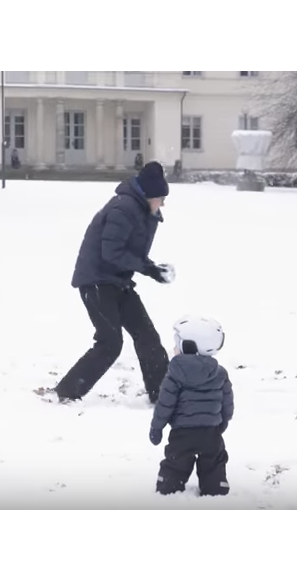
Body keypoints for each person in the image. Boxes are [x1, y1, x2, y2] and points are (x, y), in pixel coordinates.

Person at [52, 161, 174, 405]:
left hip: (118, 281)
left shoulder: (141, 210)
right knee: (110, 342)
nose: (161, 204)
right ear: (148, 194)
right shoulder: (123, 208)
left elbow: (128, 251)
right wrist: (147, 269)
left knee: (147, 336)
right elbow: (111, 252)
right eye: (160, 198)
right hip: (96, 281)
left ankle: (163, 394)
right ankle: (68, 390)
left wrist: (151, 268)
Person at [149, 315, 234, 497]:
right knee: (213, 462)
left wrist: (157, 427)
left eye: (177, 344)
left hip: (182, 434)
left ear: (189, 346)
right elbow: (227, 402)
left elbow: (165, 403)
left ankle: (168, 487)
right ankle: (216, 487)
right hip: (210, 433)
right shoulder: (219, 373)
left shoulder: (174, 373)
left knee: (176, 462)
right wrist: (223, 422)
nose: (174, 348)